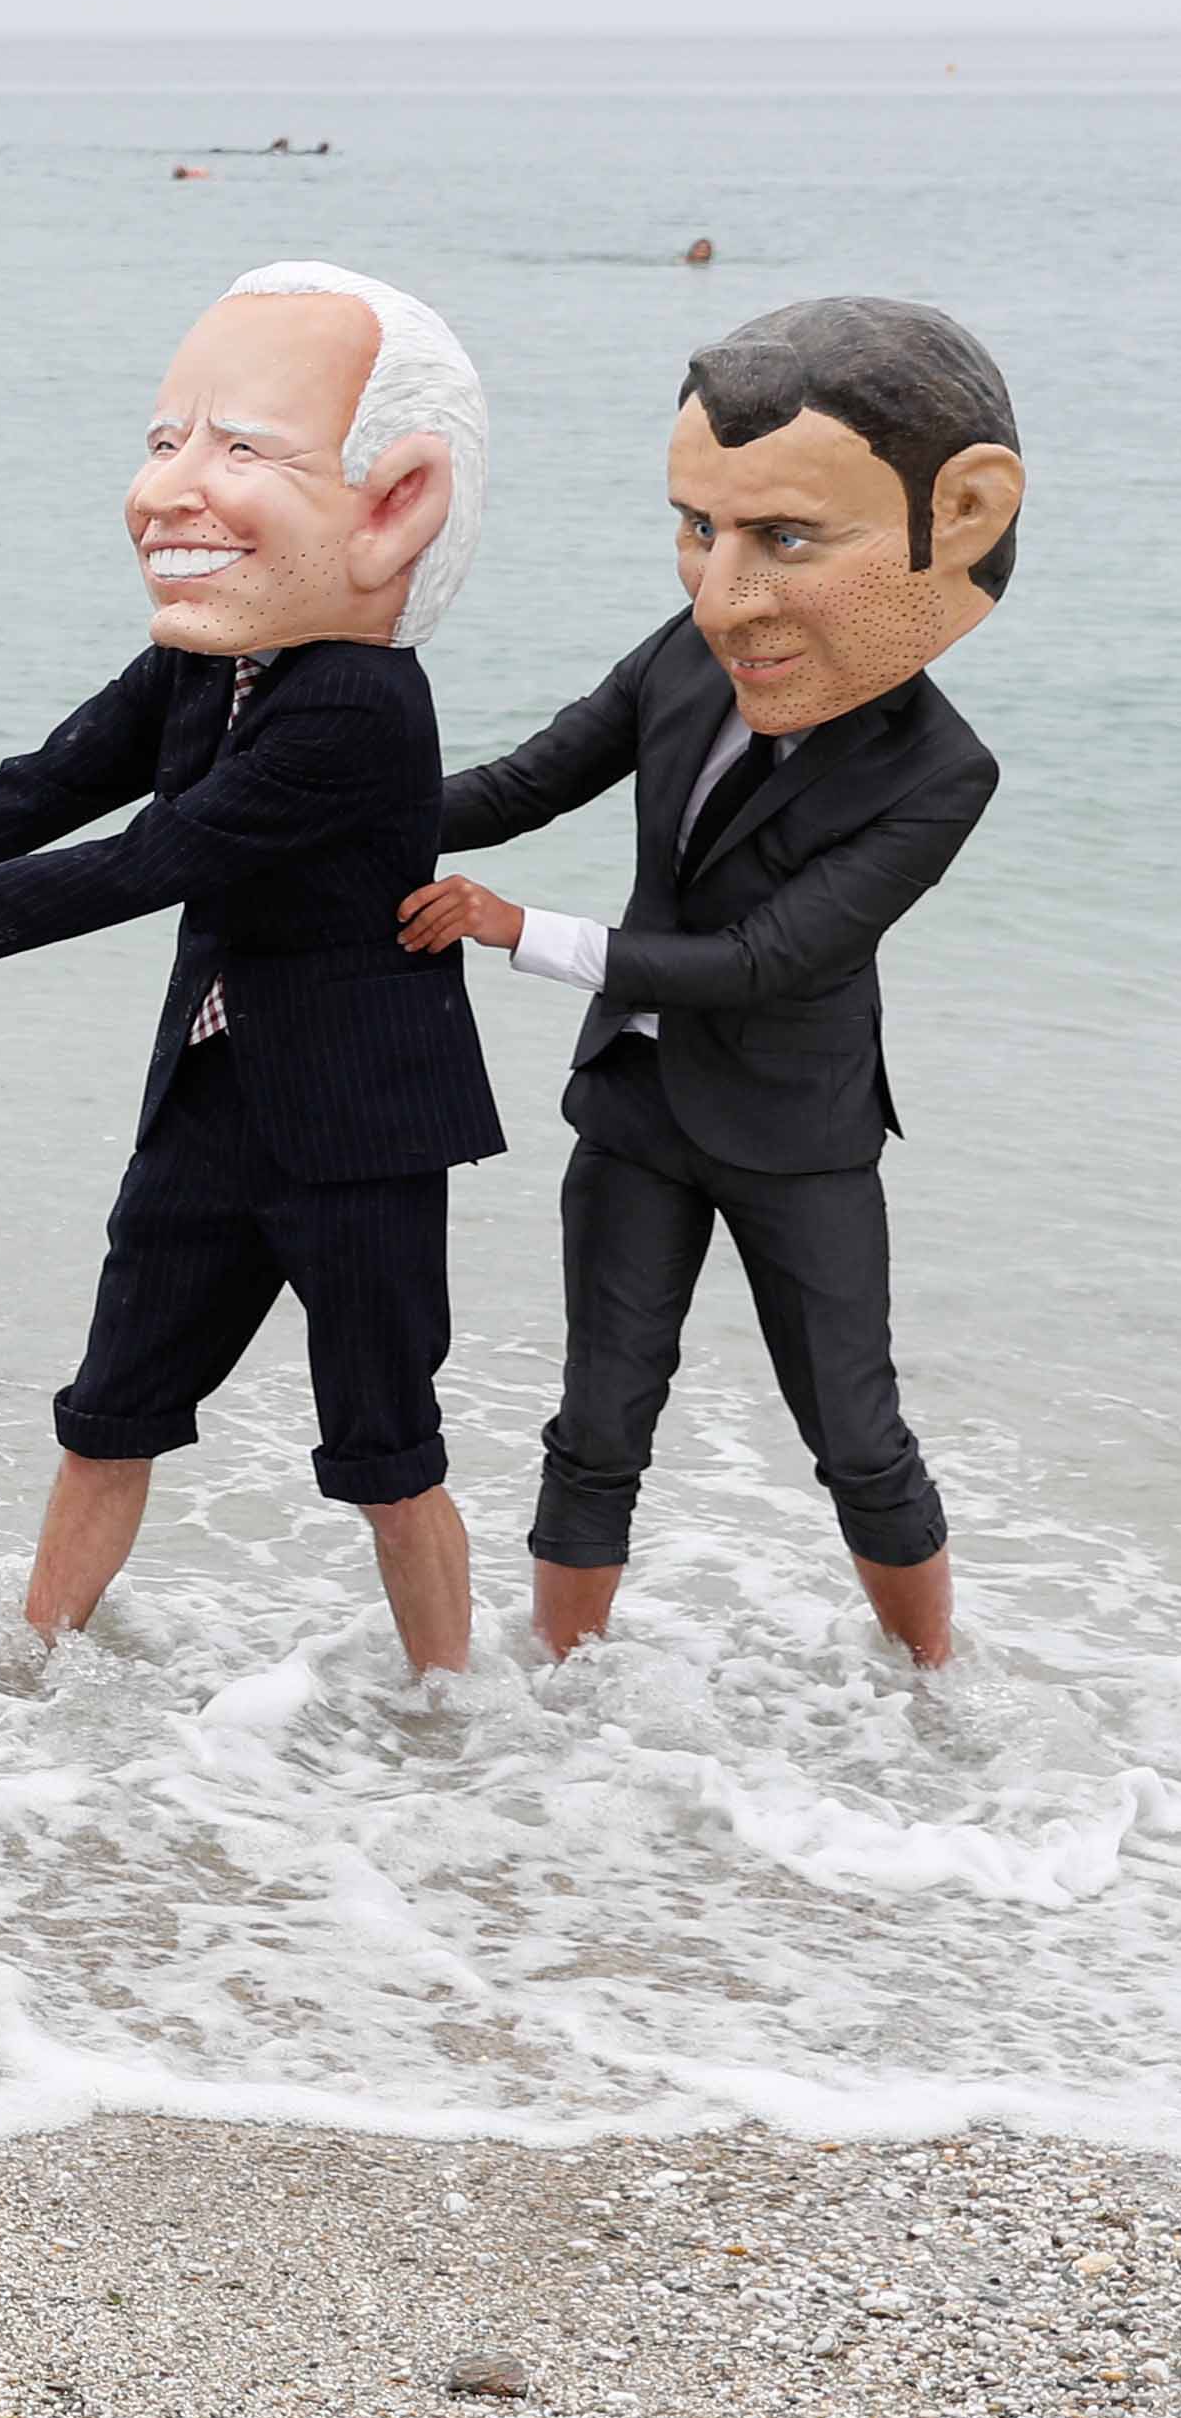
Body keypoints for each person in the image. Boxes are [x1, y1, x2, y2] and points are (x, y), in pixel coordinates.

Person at [0, 262, 506, 1676]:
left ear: (392, 504)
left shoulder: (360, 702)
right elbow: (50, 781)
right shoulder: (205, 659)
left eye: (240, 449)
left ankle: (452, 1716)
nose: (170, 487)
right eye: (165, 442)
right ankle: (29, 1676)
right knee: (107, 1411)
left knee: (385, 1453)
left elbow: (154, 857)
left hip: (360, 1122)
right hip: (212, 1092)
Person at [397, 297, 1020, 1667]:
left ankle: (936, 1697)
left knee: (855, 1432)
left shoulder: (940, 771)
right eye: (701, 530)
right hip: (636, 1105)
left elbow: (766, 960)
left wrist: (515, 929)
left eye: (783, 537)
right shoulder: (687, 652)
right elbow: (525, 781)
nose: (722, 589)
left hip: (798, 1129)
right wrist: (330, 807)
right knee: (597, 1419)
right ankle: (559, 1699)